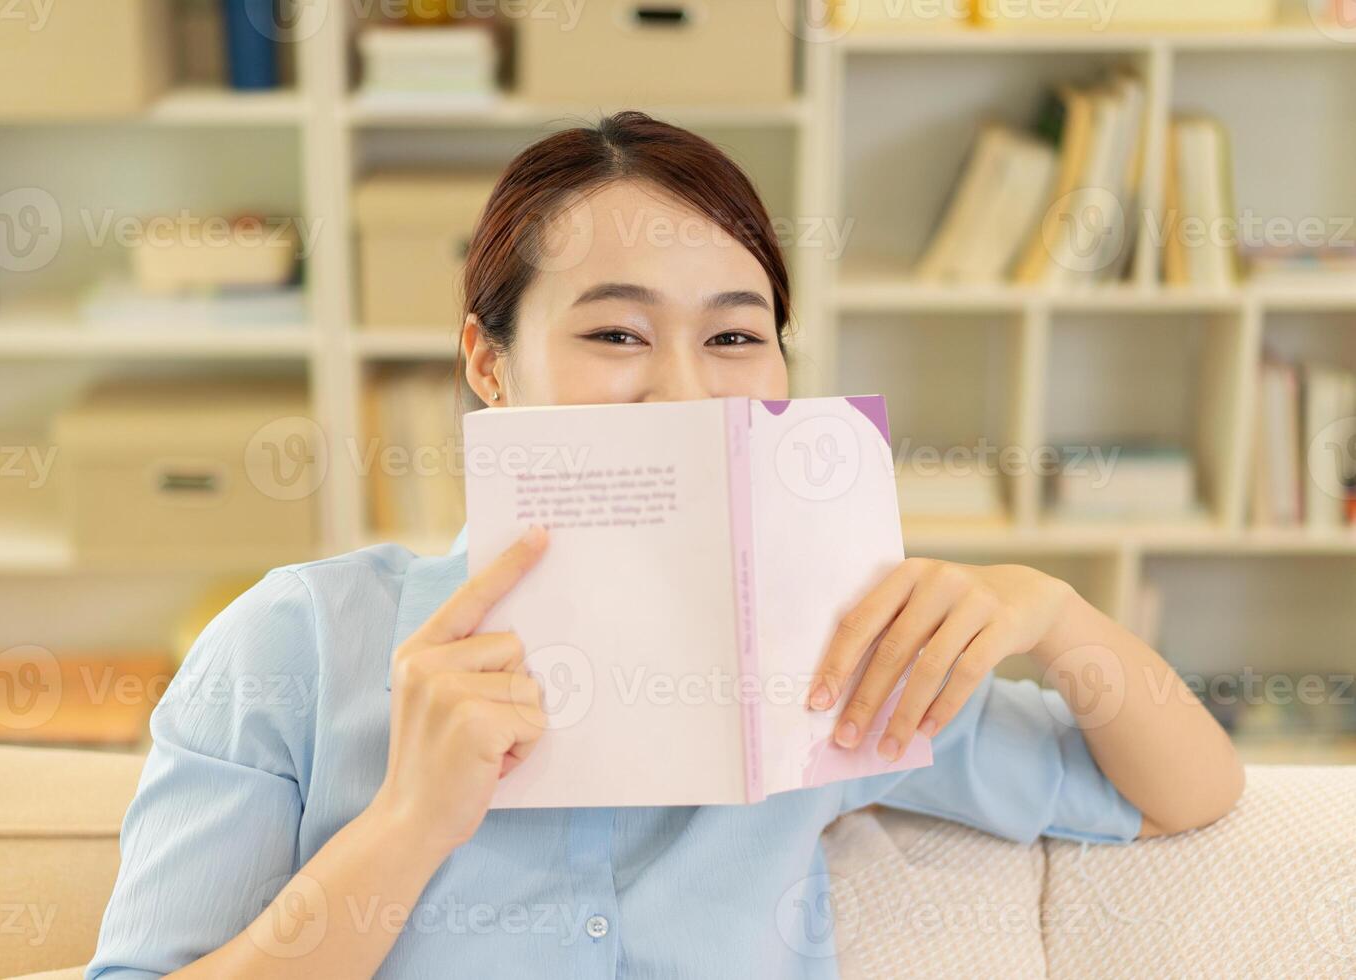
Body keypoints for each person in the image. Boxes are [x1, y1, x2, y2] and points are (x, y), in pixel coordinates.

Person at [87, 111, 1244, 980]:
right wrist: (407, 822)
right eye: (617, 331)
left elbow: (1185, 792)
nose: (688, 390)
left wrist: (1054, 610)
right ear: (489, 364)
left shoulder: (835, 638)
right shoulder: (293, 643)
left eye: (736, 334)